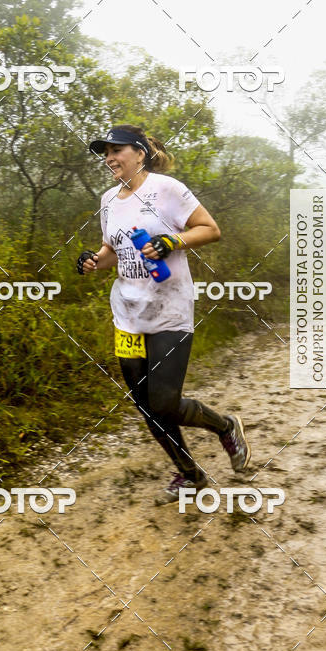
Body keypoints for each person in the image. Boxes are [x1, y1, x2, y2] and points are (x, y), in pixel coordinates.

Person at [76, 123, 250, 504]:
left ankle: (226, 426)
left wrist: (172, 240)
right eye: (105, 152)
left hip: (170, 311)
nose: (108, 158)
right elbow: (111, 252)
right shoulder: (109, 200)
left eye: (116, 150)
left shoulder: (167, 189)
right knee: (145, 405)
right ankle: (191, 475)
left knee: (164, 402)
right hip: (127, 313)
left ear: (139, 152)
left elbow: (210, 229)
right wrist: (93, 261)